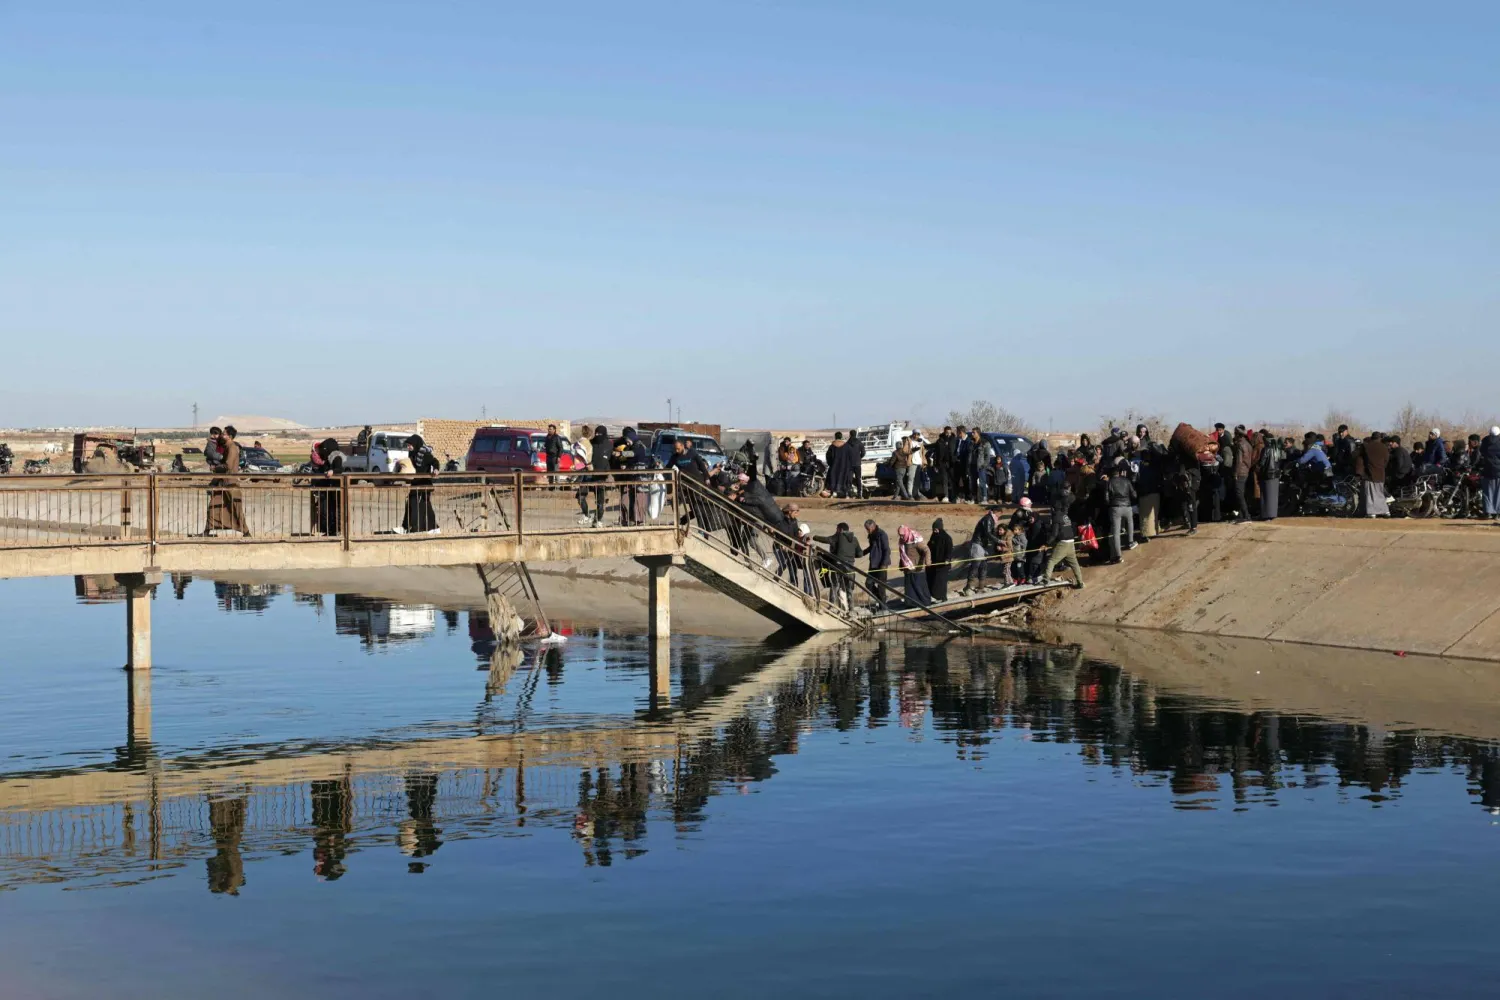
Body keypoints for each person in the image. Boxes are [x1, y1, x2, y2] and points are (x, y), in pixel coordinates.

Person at [203, 426, 249, 536]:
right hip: (222, 481)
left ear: (229, 436)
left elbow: (228, 465)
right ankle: (207, 531)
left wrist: (215, 468)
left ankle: (246, 532)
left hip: (230, 482)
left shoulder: (232, 448)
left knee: (235, 507)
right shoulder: (227, 446)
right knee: (214, 505)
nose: (221, 436)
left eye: (223, 434)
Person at [813, 521, 862, 610]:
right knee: (849, 588)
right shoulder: (854, 539)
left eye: (837, 529)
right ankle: (851, 610)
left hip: (838, 565)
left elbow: (827, 539)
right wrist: (849, 554)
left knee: (834, 585)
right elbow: (860, 554)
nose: (836, 531)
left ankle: (832, 606)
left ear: (841, 529)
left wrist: (815, 537)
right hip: (850, 566)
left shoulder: (839, 536)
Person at [1041, 495, 1085, 589]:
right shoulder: (1065, 516)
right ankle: (1080, 582)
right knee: (1074, 564)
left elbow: (1055, 533)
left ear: (1053, 508)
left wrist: (1046, 544)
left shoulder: (1056, 517)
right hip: (1071, 542)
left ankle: (1046, 580)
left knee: (1052, 561)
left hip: (1063, 543)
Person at [401, 434, 440, 533]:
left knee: (422, 506)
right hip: (415, 483)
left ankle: (420, 528)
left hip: (424, 484)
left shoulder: (425, 454)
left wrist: (436, 469)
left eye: (410, 445)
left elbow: (435, 462)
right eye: (408, 445)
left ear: (416, 444)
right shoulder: (411, 454)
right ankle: (407, 527)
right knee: (412, 504)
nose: (408, 447)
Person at [961, 507, 1003, 595]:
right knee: (975, 566)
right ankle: (968, 588)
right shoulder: (988, 519)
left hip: (983, 545)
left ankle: (981, 587)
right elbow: (988, 533)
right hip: (978, 544)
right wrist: (998, 541)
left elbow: (990, 533)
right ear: (997, 512)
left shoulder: (991, 519)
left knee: (983, 566)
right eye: (1000, 514)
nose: (1000, 516)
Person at [311, 438, 345, 535]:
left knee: (336, 509)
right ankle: (330, 530)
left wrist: (333, 471)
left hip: (337, 487)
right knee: (330, 509)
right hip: (330, 487)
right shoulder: (329, 458)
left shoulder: (337, 457)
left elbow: (340, 469)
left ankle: (337, 530)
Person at [1354, 431, 1391, 517]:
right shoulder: (1384, 447)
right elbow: (1386, 460)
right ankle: (1385, 511)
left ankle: (1372, 512)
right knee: (1380, 493)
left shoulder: (1367, 446)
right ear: (1380, 438)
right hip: (1381, 473)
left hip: (1369, 473)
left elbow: (1357, 456)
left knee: (1370, 494)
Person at [1102, 468, 1135, 562]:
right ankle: (1131, 542)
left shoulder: (1109, 482)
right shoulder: (1126, 480)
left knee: (1115, 533)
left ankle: (1118, 555)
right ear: (1120, 473)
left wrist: (1110, 505)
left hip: (1115, 508)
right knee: (1130, 523)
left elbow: (1106, 498)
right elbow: (1134, 494)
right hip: (1127, 506)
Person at [897, 525, 933, 605]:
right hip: (908, 570)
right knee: (910, 589)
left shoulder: (915, 540)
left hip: (918, 569)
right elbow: (903, 554)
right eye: (900, 535)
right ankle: (911, 605)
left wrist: (927, 561)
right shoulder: (902, 541)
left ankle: (925, 604)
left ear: (906, 532)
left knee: (920, 589)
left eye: (902, 535)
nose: (901, 536)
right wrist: (901, 565)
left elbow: (926, 550)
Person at [859, 519, 892, 608]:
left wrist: (884, 564)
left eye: (868, 529)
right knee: (868, 583)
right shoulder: (871, 535)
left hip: (881, 564)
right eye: (866, 529)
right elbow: (871, 547)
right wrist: (862, 553)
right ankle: (882, 600)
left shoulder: (882, 534)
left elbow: (886, 550)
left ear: (873, 526)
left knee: (881, 587)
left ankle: (883, 606)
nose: (867, 531)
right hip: (873, 563)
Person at [1257, 429, 1284, 521]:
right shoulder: (1278, 449)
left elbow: (1262, 462)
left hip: (1267, 475)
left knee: (1265, 495)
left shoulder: (1266, 449)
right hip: (1276, 475)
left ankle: (1265, 515)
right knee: (1273, 496)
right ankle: (1273, 514)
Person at [926, 518, 952, 602]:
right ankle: (933, 596)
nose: (935, 531)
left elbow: (949, 550)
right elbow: (929, 546)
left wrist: (947, 559)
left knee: (941, 581)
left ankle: (943, 597)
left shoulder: (947, 538)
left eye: (936, 529)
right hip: (934, 564)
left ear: (940, 528)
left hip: (943, 565)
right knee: (932, 580)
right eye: (934, 529)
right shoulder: (933, 536)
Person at [825, 432, 856, 498]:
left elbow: (828, 457)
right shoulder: (847, 446)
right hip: (844, 467)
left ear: (835, 437)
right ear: (841, 437)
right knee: (844, 480)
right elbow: (851, 457)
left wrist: (831, 464)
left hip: (834, 467)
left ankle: (833, 493)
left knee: (833, 479)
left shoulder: (832, 446)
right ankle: (846, 494)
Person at [968, 429, 994, 504]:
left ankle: (984, 498)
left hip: (981, 466)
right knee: (973, 483)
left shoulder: (985, 443)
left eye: (974, 432)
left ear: (978, 433)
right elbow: (969, 454)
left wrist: (984, 465)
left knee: (982, 482)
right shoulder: (971, 442)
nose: (972, 434)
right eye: (972, 432)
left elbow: (987, 456)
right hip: (972, 465)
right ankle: (974, 498)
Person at [930, 428, 955, 504]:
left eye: (949, 432)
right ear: (944, 432)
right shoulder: (940, 441)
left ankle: (953, 496)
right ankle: (946, 496)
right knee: (944, 480)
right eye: (947, 432)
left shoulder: (954, 440)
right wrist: (935, 464)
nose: (948, 434)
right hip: (942, 463)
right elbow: (936, 454)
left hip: (951, 463)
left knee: (952, 480)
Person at [1480, 427, 1500, 519]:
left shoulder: (1485, 441)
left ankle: (1488, 512)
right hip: (1498, 471)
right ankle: (1497, 513)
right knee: (1498, 493)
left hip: (1487, 470)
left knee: (1487, 492)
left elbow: (1481, 453)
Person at [892, 436, 915, 500]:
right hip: (904, 469)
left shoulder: (895, 452)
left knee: (899, 482)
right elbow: (910, 452)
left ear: (896, 446)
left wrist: (888, 465)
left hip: (898, 468)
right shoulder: (904, 451)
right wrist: (913, 449)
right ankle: (895, 496)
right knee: (899, 482)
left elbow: (892, 461)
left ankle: (906, 496)